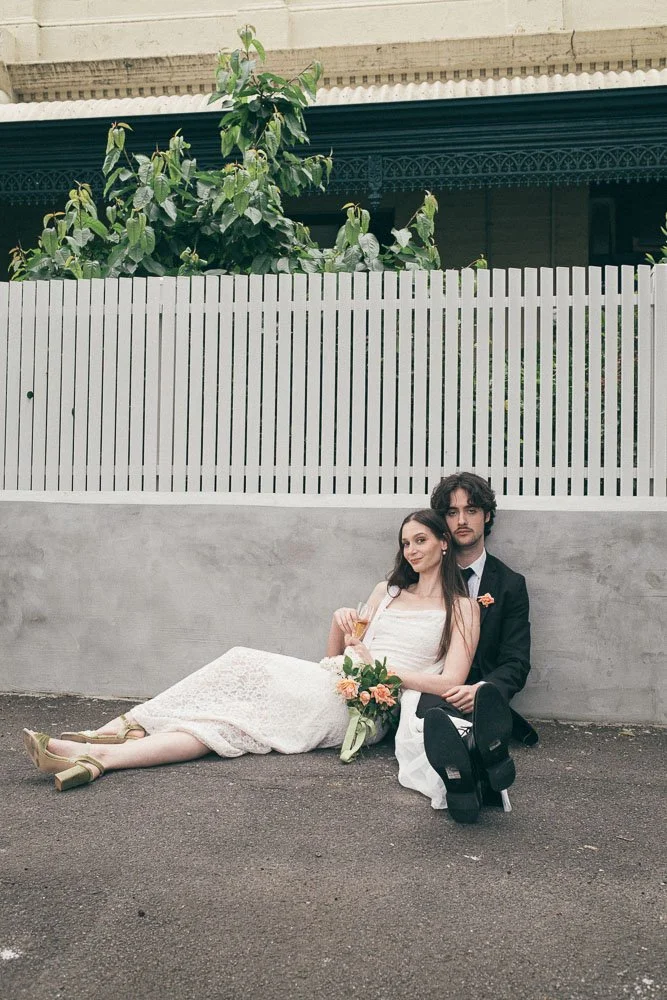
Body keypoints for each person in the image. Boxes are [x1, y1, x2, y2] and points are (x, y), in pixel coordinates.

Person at [23, 510, 512, 822]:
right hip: (333, 679)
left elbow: (450, 681)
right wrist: (342, 627)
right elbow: (333, 654)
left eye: (421, 540)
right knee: (226, 725)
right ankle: (102, 752)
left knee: (238, 679)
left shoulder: (463, 607)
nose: (412, 550)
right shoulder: (387, 592)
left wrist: (379, 673)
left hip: (371, 707)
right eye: (405, 542)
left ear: (443, 544)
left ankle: (113, 733)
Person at [416, 472, 538, 816]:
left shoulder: (511, 585)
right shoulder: (424, 575)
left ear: (486, 515)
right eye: (451, 513)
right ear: (442, 523)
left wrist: (483, 691)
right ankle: (482, 762)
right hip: (434, 688)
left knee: (451, 710)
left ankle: (471, 758)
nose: (462, 520)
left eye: (470, 510)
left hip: (479, 697)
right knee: (434, 711)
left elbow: (517, 661)